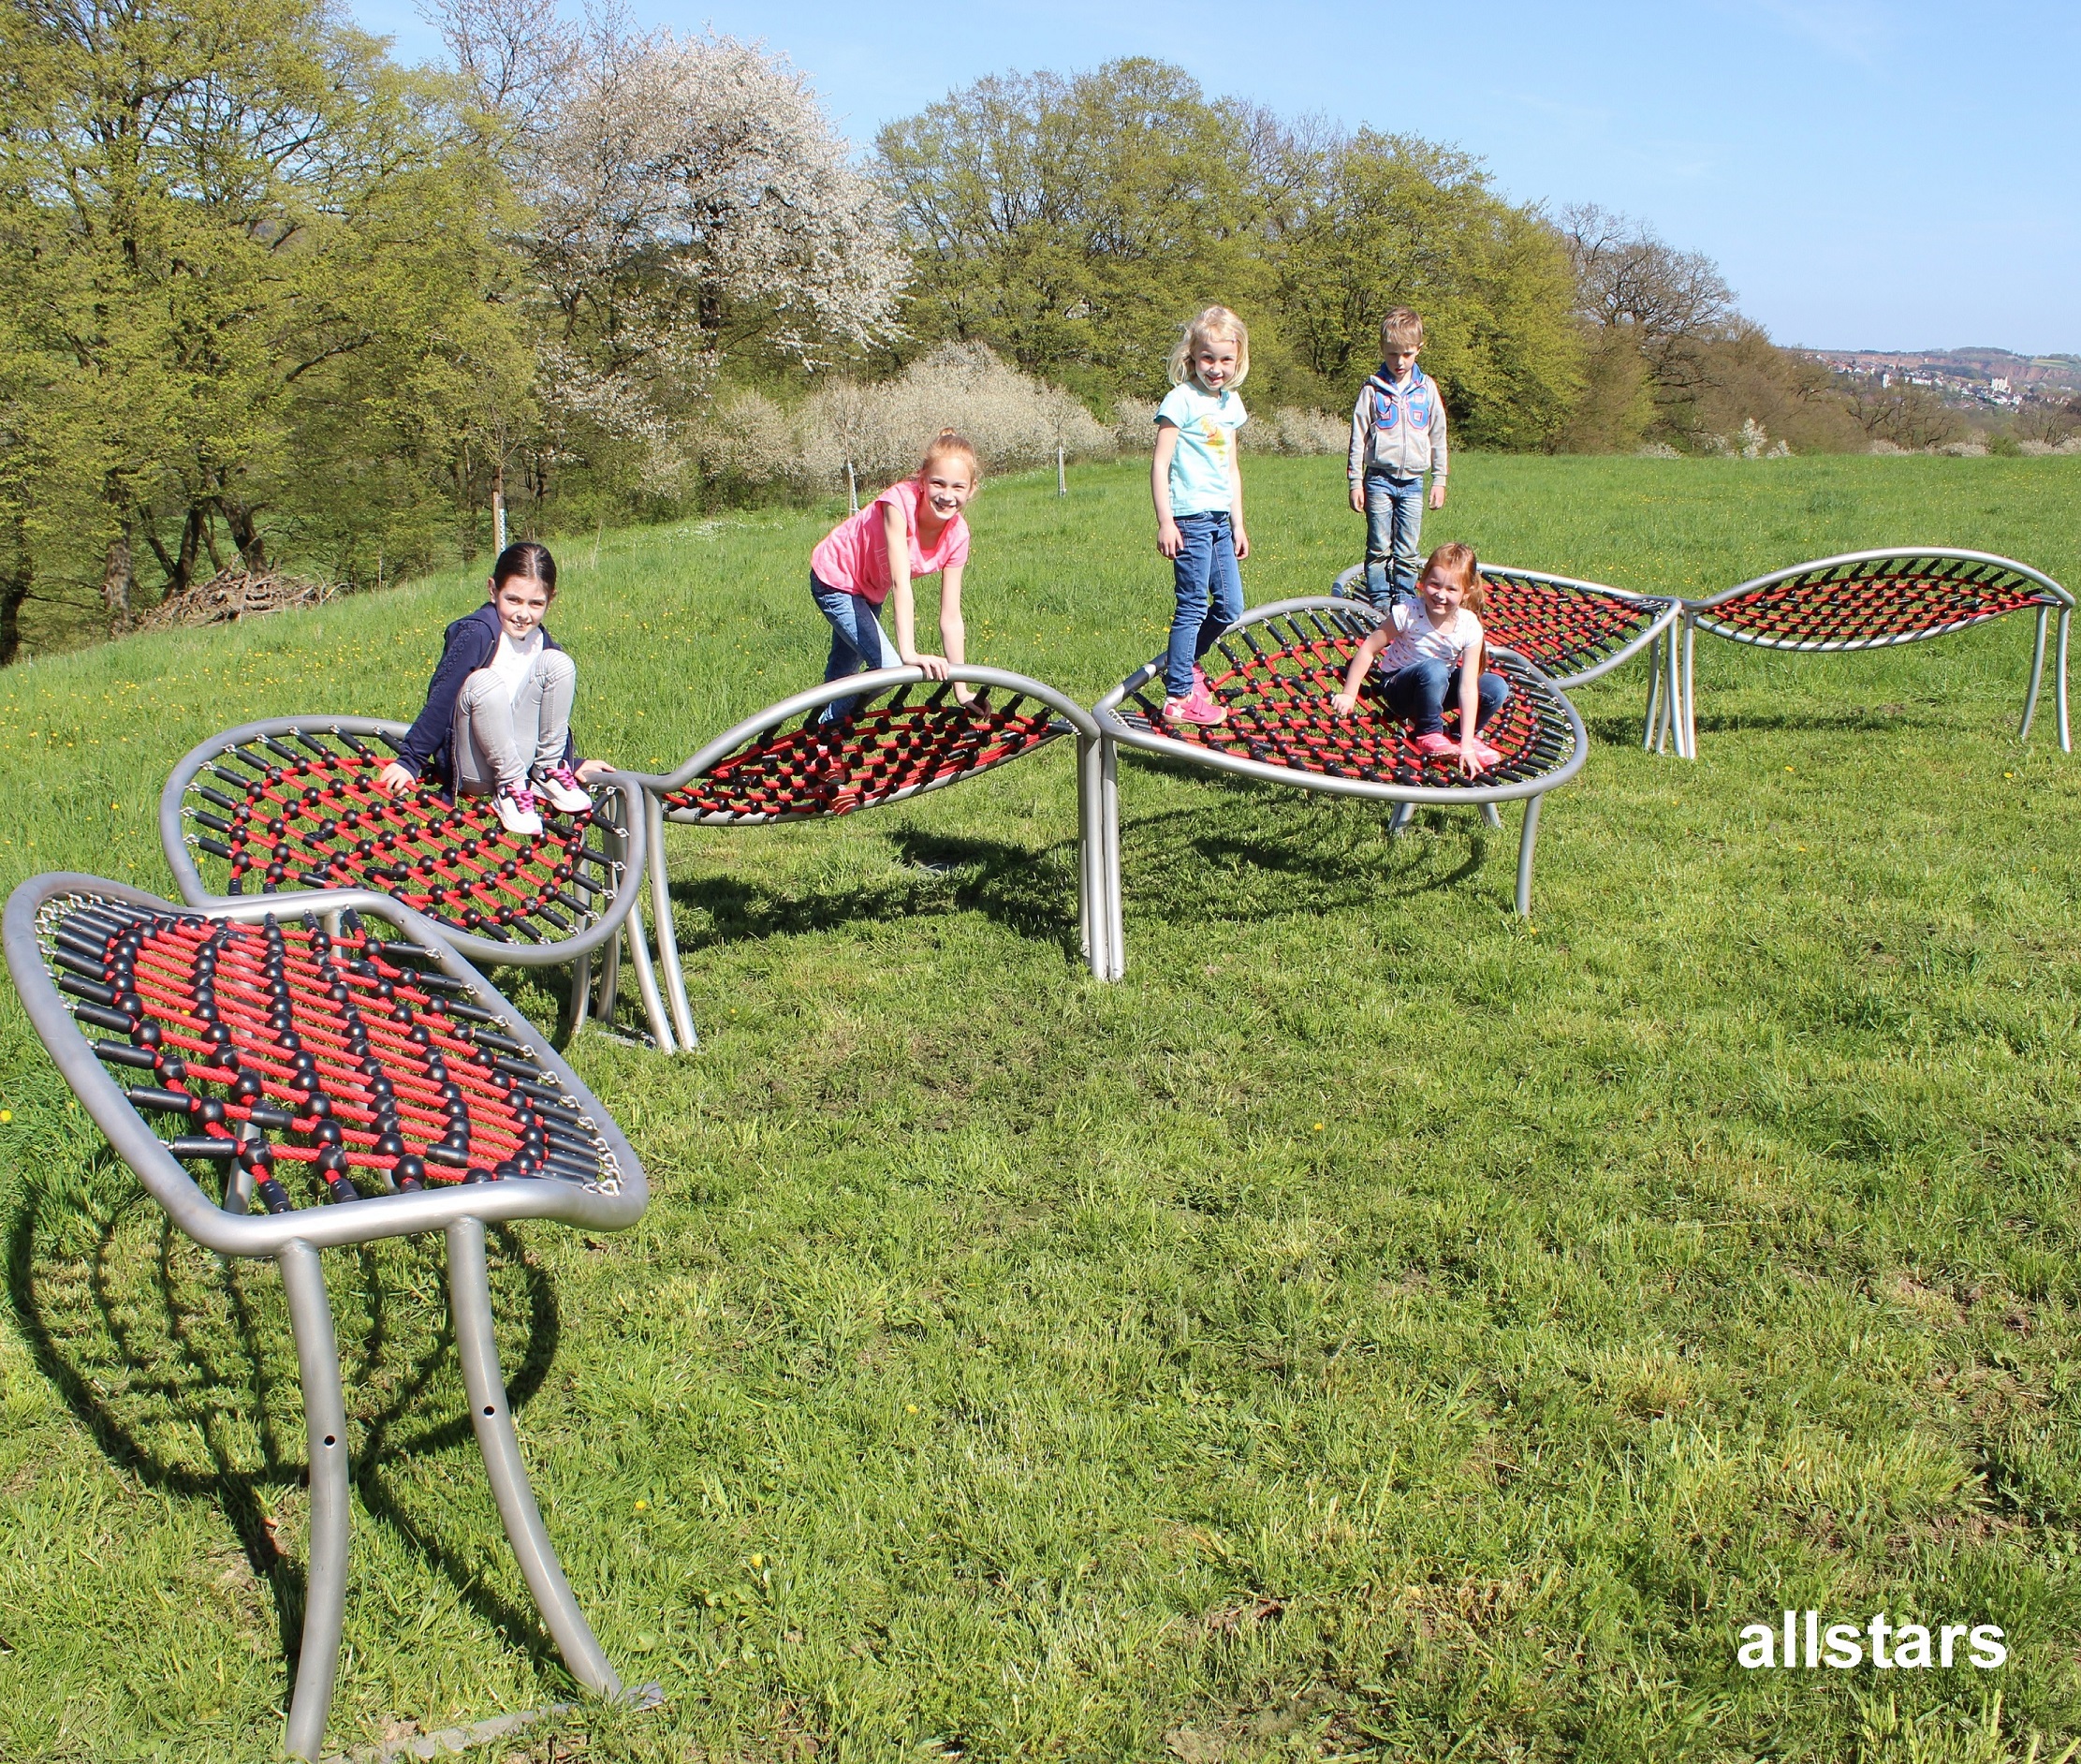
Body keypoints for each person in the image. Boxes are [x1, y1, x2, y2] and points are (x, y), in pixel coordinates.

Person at [378, 541, 611, 835]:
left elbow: (544, 714)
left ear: (550, 600)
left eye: (535, 604)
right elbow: (442, 697)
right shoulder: (479, 633)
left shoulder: (541, 640)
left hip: (521, 758)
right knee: (485, 682)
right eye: (513, 600)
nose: (523, 613)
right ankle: (510, 789)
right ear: (493, 590)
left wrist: (571, 761)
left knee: (558, 663)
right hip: (476, 765)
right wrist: (410, 760)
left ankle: (548, 771)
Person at [809, 431, 978, 722]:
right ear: (922, 480)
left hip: (869, 590)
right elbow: (901, 585)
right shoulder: (899, 505)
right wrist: (909, 654)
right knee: (887, 670)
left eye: (958, 487)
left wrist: (961, 691)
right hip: (835, 577)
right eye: (938, 483)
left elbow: (951, 616)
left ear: (971, 489)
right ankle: (822, 730)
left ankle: (822, 752)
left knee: (842, 675)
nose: (947, 496)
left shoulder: (958, 535)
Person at [1151, 305, 1252, 728]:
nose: (1216, 368)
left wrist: (1239, 522)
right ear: (1192, 358)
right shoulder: (1181, 400)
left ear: (1237, 361)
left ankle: (1186, 664)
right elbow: (1160, 464)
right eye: (1207, 358)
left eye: (1225, 359)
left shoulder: (1230, 405)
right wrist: (1165, 520)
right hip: (1190, 517)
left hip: (1219, 519)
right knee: (1192, 606)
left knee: (1230, 607)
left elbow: (1231, 468)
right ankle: (1178, 696)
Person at [1330, 541, 1508, 776]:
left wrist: (1465, 745)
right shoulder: (1409, 613)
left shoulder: (1469, 626)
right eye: (1434, 585)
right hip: (1399, 688)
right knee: (1435, 668)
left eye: (1451, 589)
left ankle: (1458, 736)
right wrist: (1349, 693)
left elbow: (1467, 687)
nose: (1440, 595)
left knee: (1495, 686)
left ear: (1466, 592)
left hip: (1436, 687)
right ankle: (1428, 732)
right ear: (1423, 582)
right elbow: (1369, 649)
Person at [1347, 307, 1449, 608]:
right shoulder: (1372, 390)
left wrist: (1439, 480)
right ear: (1382, 350)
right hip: (1378, 479)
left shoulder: (1426, 389)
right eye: (1392, 354)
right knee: (1379, 546)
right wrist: (1355, 482)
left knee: (1407, 548)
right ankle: (1378, 600)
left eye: (1406, 354)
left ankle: (1404, 600)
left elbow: (1438, 436)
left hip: (1414, 482)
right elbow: (1357, 438)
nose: (1399, 362)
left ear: (1419, 349)